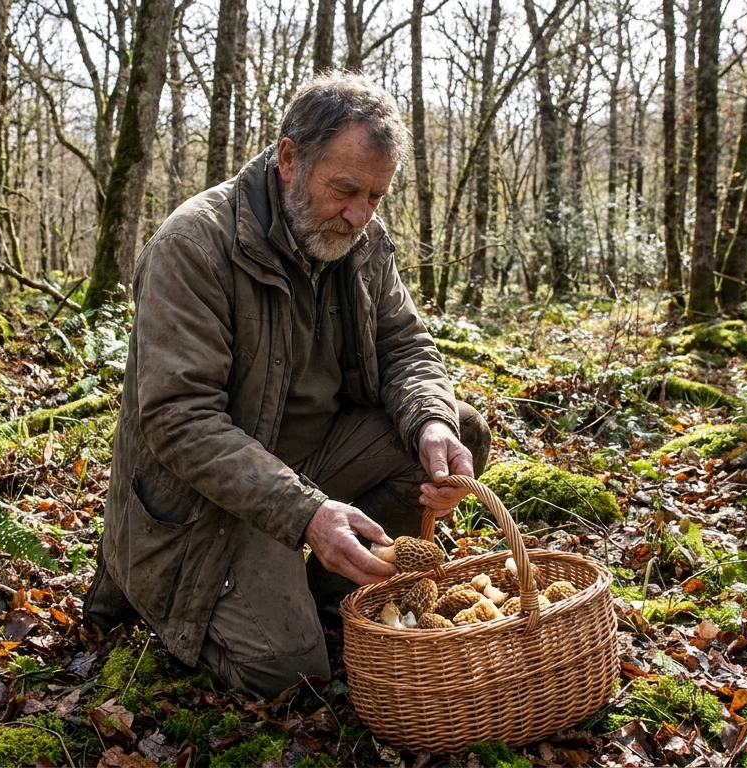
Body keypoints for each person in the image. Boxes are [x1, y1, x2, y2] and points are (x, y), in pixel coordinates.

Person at [83, 71, 490, 699]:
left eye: (376, 197)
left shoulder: (360, 241)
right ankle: (203, 595)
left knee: (456, 427)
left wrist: (431, 420)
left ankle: (337, 591)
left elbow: (405, 345)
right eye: (344, 190)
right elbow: (180, 419)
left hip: (314, 465)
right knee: (291, 673)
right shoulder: (195, 245)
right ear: (289, 158)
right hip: (211, 503)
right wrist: (305, 514)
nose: (359, 214)